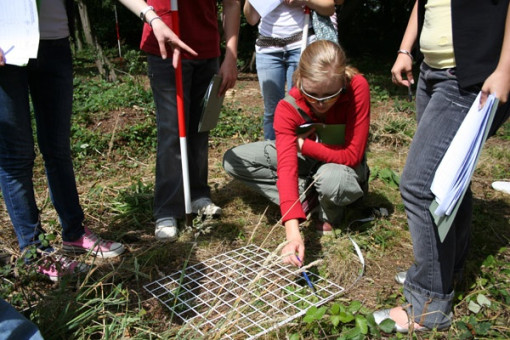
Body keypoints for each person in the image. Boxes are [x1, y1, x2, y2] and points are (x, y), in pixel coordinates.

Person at [373, 0, 510, 333]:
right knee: (449, 184)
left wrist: (506, 68)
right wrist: (406, 49)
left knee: (421, 186)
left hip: (471, 74)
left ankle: (429, 302)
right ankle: (447, 270)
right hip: (431, 73)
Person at [0, 0, 126, 282]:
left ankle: (74, 233)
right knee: (16, 155)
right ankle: (34, 252)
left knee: (57, 147)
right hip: (6, 43)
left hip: (55, 38)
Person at [223, 40, 370, 267]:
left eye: (331, 95)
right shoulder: (287, 108)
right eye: (312, 94)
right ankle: (309, 199)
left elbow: (352, 155)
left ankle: (330, 209)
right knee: (235, 160)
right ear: (299, 78)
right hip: (307, 163)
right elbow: (287, 167)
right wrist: (293, 234)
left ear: (342, 81)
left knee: (332, 179)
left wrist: (301, 145)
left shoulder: (357, 87)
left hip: (340, 166)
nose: (321, 104)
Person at [131, 0, 240, 242]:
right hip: (165, 47)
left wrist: (230, 56)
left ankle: (198, 193)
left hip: (208, 50)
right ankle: (168, 208)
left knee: (202, 126)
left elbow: (232, 4)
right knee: (172, 128)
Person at [244, 0, 335, 140]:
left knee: (301, 108)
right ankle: (272, 156)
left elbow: (329, 7)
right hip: (267, 49)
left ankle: (303, 156)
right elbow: (251, 19)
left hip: (302, 45)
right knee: (272, 111)